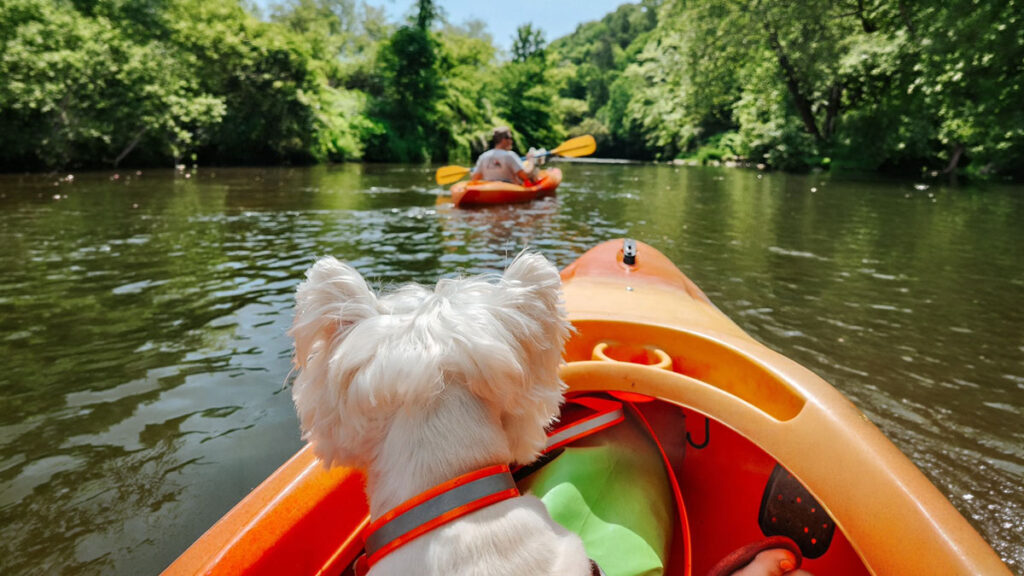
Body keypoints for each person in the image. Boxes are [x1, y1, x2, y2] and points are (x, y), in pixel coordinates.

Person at [471, 126, 545, 184]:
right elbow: (525, 175)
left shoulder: (483, 156)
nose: (511, 141)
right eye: (510, 138)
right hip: (508, 188)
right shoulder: (510, 155)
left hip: (489, 189)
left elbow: (475, 178)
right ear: (504, 140)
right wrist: (531, 161)